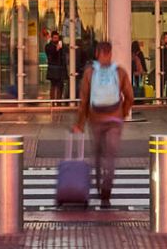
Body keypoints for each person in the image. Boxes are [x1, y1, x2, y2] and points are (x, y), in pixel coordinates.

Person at [71, 40, 134, 208]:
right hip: (115, 120)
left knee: (97, 153)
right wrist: (123, 113)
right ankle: (107, 189)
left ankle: (98, 183)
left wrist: (80, 123)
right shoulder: (120, 72)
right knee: (111, 157)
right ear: (110, 53)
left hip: (96, 118)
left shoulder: (90, 73)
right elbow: (130, 96)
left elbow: (84, 100)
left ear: (97, 54)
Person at [44, 31, 69, 101]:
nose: (56, 39)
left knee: (60, 86)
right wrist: (56, 49)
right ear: (52, 38)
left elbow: (66, 53)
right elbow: (50, 55)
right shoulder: (48, 46)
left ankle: (59, 101)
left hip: (61, 68)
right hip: (53, 68)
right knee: (54, 85)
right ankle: (53, 101)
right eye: (54, 38)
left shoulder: (62, 46)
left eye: (57, 38)